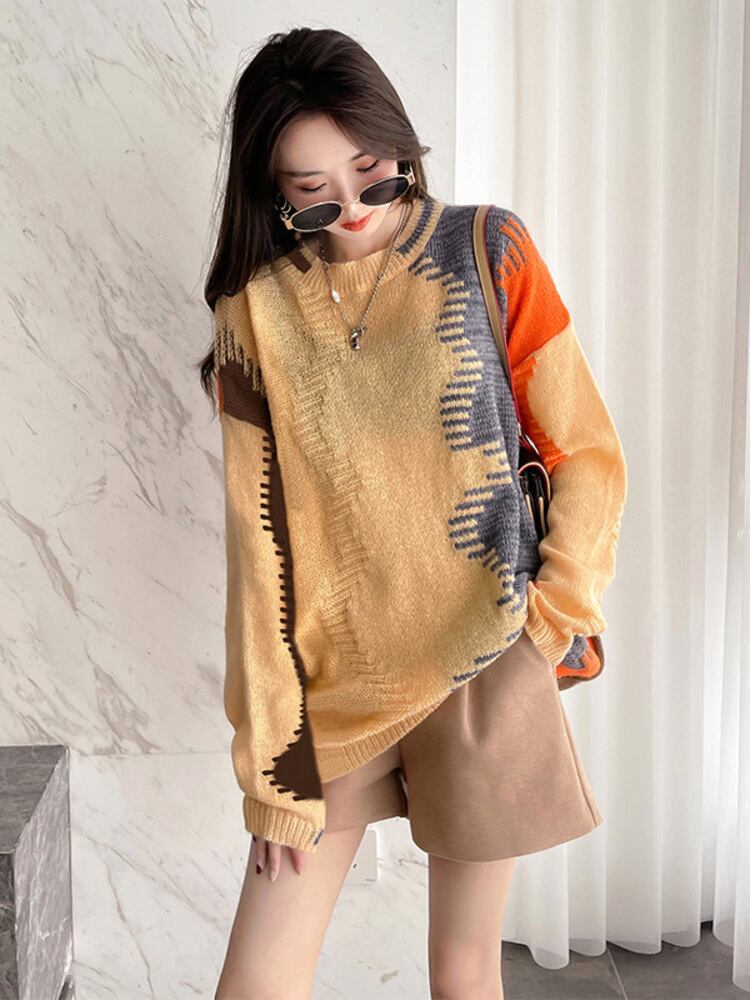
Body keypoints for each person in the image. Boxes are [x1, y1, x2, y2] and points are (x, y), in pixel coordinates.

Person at [200, 25, 628, 1000]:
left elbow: (587, 453)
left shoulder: (488, 250)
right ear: (273, 193)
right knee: (256, 983)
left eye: (372, 174)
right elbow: (260, 553)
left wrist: (549, 620)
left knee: (462, 975)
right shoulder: (253, 319)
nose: (354, 211)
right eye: (315, 193)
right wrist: (272, 762)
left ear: (400, 141)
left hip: (484, 661)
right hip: (336, 693)